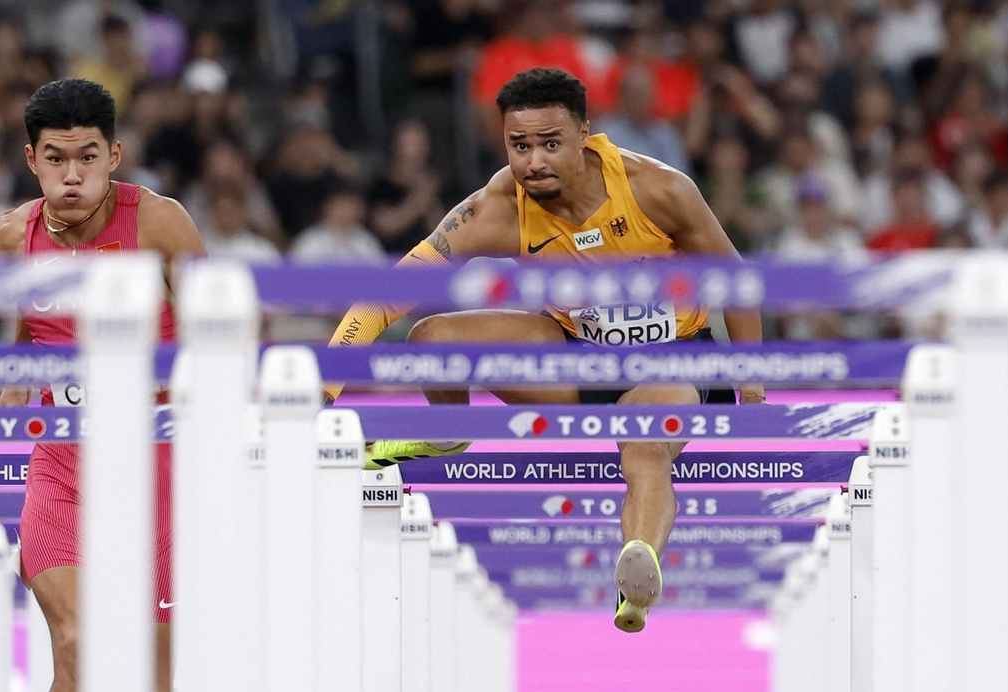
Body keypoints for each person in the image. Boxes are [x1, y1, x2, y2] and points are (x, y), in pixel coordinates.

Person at [325, 67, 764, 634]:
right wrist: (324, 387)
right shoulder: (498, 208)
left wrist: (750, 388)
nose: (534, 161)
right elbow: (391, 294)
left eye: (551, 144)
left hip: (671, 360)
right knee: (431, 339)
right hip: (573, 355)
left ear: (585, 132)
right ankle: (448, 431)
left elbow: (738, 283)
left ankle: (637, 572)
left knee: (646, 447)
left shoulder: (660, 190)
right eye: (519, 145)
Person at [0, 78, 204, 692]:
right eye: (54, 160)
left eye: (87, 158)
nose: (71, 176)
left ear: (113, 157)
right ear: (31, 161)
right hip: (64, 463)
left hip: (163, 467)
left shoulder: (160, 223)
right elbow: (17, 343)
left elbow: (224, 327)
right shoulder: (8, 239)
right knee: (74, 642)